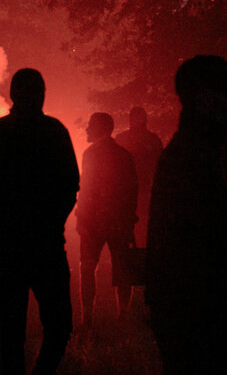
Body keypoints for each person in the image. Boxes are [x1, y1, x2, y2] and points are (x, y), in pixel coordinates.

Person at [0, 68, 79, 375]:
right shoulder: (54, 131)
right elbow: (71, 185)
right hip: (48, 242)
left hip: (11, 244)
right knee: (59, 324)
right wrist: (53, 218)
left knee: (12, 331)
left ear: (12, 95)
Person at [146, 56, 227, 374]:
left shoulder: (200, 153)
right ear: (205, 99)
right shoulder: (190, 159)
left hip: (191, 306)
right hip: (194, 309)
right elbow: (210, 238)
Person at [77, 112, 138, 325]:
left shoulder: (90, 154)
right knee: (122, 267)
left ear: (101, 128)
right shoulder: (123, 155)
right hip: (118, 220)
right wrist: (129, 219)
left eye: (90, 125)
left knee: (87, 268)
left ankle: (88, 318)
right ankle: (122, 314)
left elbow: (85, 188)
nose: (87, 129)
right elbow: (132, 190)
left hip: (93, 221)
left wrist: (81, 218)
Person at [115, 106, 162, 247]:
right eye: (133, 116)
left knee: (142, 227)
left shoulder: (152, 140)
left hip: (144, 191)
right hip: (126, 193)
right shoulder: (122, 139)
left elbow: (158, 167)